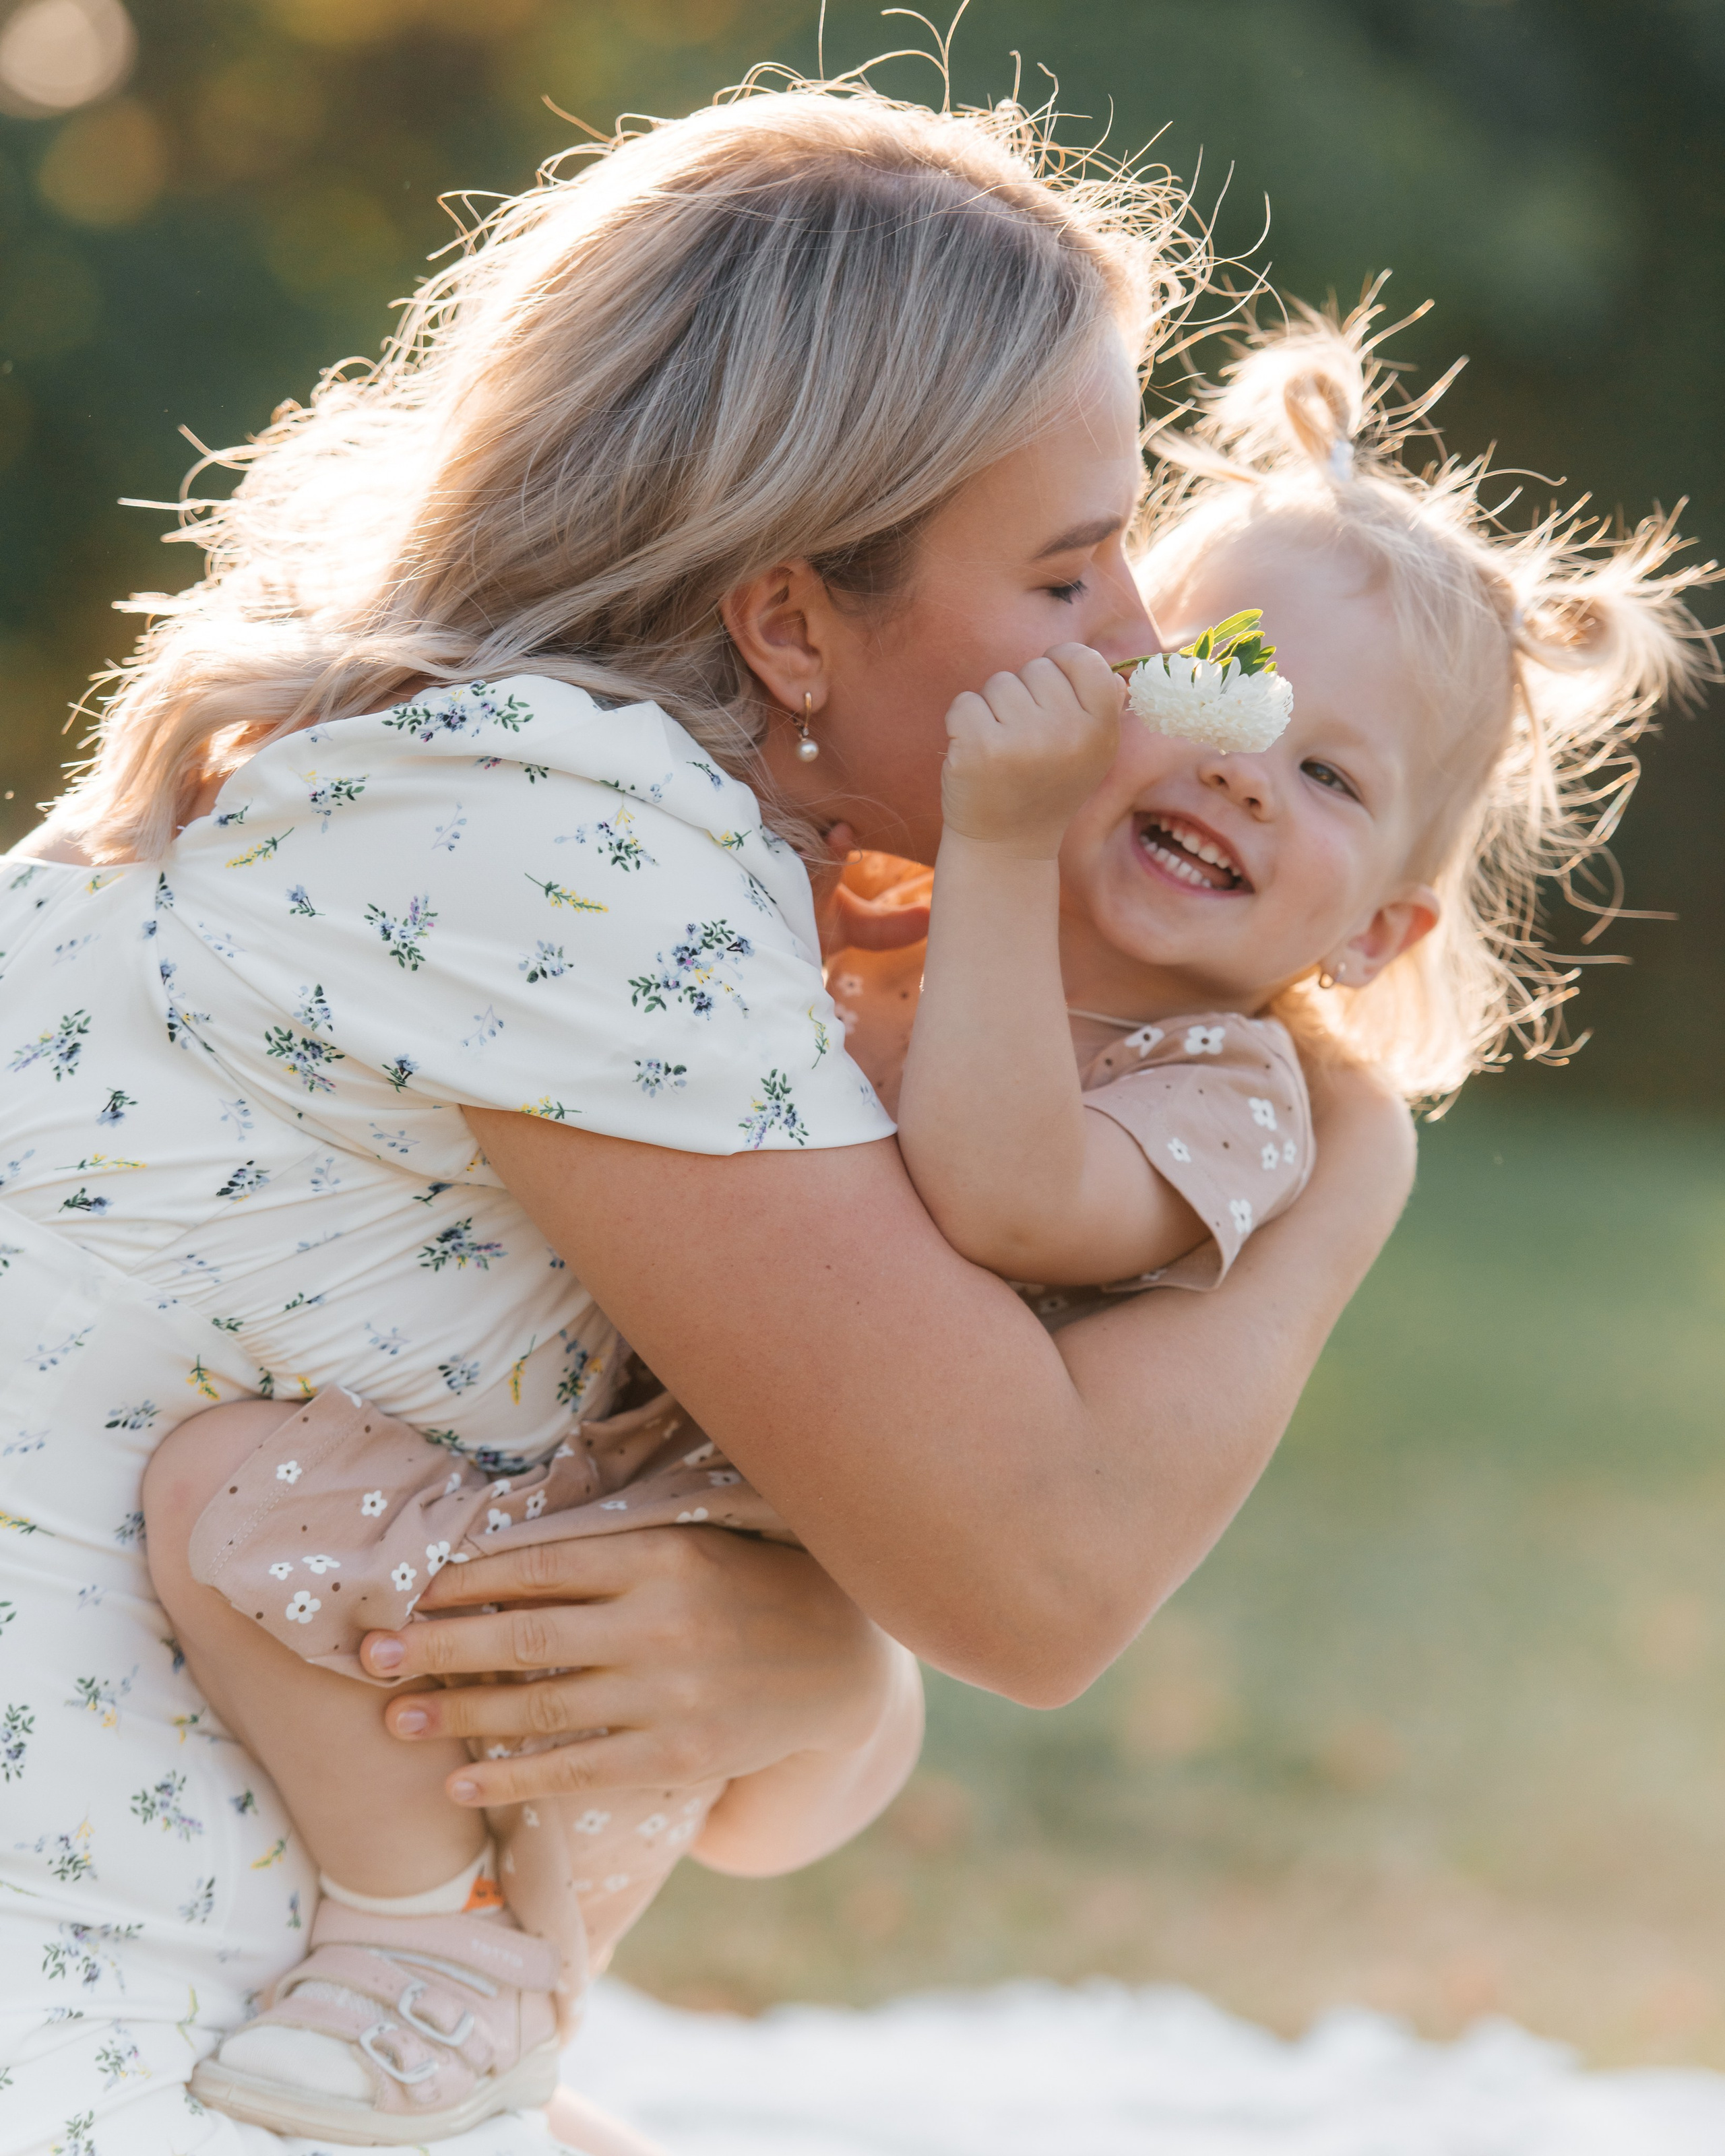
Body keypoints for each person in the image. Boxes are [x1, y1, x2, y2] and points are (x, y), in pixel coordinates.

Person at [0, 86, 1416, 2156]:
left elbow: (793, 1664)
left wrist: (824, 1678)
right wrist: (1351, 1161)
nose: (1141, 640)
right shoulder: (562, 856)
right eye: (1067, 575)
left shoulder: (544, 805)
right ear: (790, 620)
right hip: (95, 2006)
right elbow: (1037, 1576)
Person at [137, 304, 1712, 2138]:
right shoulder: (882, 915)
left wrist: (1002, 849)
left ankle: (441, 1954)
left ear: (1375, 934)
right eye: (1222, 687)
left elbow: (1007, 1193)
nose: (1242, 770)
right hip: (562, 1463)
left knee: (396, 1672)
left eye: (1331, 779)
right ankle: (468, 1992)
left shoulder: (1228, 1092)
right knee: (229, 1514)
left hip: (686, 1566)